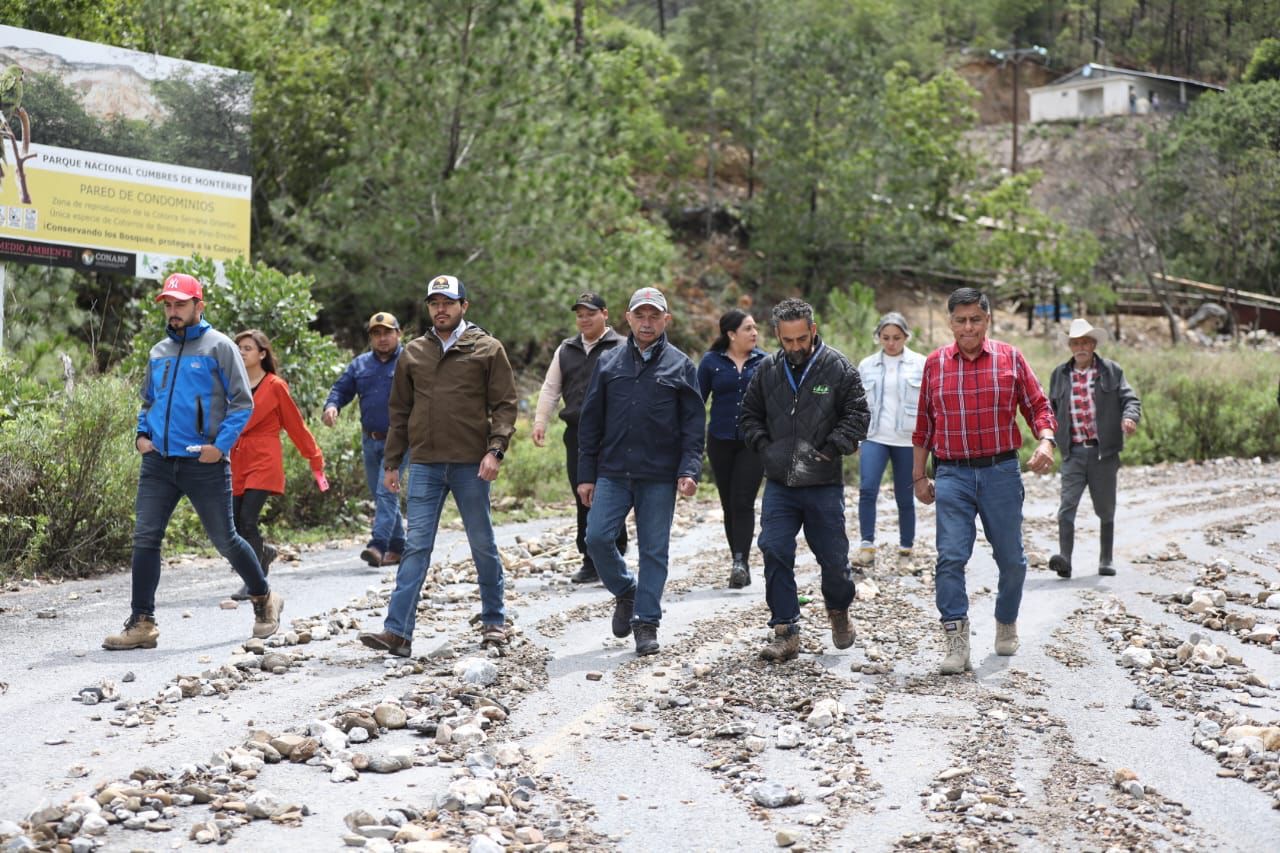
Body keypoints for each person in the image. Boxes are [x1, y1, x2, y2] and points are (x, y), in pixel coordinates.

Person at [103, 273, 283, 650]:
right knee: (145, 538)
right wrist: (142, 434)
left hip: (204, 462)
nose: (173, 311)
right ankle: (142, 622)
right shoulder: (158, 352)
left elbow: (241, 403)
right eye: (168, 305)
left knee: (226, 540)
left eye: (180, 305)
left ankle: (264, 597)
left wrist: (220, 446)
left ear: (198, 306)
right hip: (158, 463)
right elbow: (149, 402)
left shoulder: (219, 347)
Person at [358, 275, 517, 657]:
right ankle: (398, 632)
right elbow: (400, 411)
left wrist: (495, 451)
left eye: (448, 302)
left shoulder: (487, 348)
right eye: (434, 303)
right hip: (426, 464)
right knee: (415, 547)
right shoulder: (414, 352)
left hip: (470, 465)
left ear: (464, 305)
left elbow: (505, 406)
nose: (441, 309)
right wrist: (393, 461)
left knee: (482, 543)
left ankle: (494, 620)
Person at [912, 287, 1056, 675]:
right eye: (960, 320)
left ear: (987, 319)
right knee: (950, 557)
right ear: (950, 322)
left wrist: (1045, 441)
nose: (968, 327)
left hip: (1000, 472)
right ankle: (956, 639)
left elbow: (1038, 406)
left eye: (975, 319)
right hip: (953, 473)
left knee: (1012, 559)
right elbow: (924, 424)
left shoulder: (1010, 358)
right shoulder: (935, 364)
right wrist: (918, 475)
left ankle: (1006, 619)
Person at [739, 297, 870, 662]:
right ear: (777, 336)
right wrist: (766, 447)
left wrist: (830, 448)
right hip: (780, 483)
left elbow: (858, 415)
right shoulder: (766, 370)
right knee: (774, 548)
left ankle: (839, 609)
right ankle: (786, 630)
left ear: (813, 330)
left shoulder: (838, 368)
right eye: (787, 340)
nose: (795, 347)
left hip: (823, 483)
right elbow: (748, 416)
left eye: (801, 339)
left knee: (835, 561)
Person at [577, 286, 704, 656]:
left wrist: (689, 469)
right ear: (628, 318)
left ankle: (646, 623)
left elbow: (693, 426)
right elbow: (590, 422)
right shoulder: (608, 363)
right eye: (640, 315)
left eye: (654, 316)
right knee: (597, 537)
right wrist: (586, 474)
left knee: (654, 550)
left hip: (659, 474)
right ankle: (626, 591)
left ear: (667, 320)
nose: (647, 323)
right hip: (613, 470)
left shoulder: (681, 365)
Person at [532, 292, 628, 584]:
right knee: (583, 493)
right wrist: (540, 421)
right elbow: (551, 388)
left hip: (613, 434)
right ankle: (589, 558)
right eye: (580, 315)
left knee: (613, 493)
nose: (584, 319)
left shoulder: (622, 346)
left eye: (590, 313)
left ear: (605, 314)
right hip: (576, 433)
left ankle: (615, 553)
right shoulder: (567, 349)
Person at [227, 330, 328, 600]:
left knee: (248, 520)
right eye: (238, 347)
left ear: (262, 354)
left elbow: (295, 425)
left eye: (247, 347)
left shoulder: (275, 385)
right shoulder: (231, 384)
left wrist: (314, 457)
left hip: (264, 457)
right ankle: (265, 553)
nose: (241, 352)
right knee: (234, 525)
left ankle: (255, 580)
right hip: (236, 458)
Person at [1047, 318, 1141, 578]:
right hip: (1072, 451)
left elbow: (1130, 399)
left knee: (1105, 508)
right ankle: (1064, 558)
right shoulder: (1060, 375)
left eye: (1085, 342)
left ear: (1093, 344)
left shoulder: (1111, 371)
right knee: (1067, 506)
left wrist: (1129, 417)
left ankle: (1106, 559)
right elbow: (1049, 409)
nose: (1080, 347)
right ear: (1070, 346)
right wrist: (1046, 438)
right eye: (1075, 343)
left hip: (1103, 453)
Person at [323, 311, 406, 568]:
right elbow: (341, 389)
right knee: (381, 494)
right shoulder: (360, 365)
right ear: (371, 338)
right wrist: (332, 406)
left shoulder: (410, 361)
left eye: (387, 332)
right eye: (376, 334)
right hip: (370, 440)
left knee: (386, 491)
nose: (382, 338)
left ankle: (378, 545)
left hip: (401, 439)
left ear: (398, 334)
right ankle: (399, 547)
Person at [697, 308, 767, 588]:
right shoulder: (711, 363)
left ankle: (741, 561)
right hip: (720, 441)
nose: (754, 333)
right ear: (731, 334)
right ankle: (737, 559)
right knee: (728, 503)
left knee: (743, 501)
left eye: (755, 328)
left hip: (753, 442)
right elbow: (696, 402)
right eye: (748, 328)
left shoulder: (765, 362)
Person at [855, 312, 926, 567]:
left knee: (904, 496)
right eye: (886, 337)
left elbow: (929, 404)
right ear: (878, 337)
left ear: (906, 336)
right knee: (867, 489)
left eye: (897, 337)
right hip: (875, 436)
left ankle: (906, 547)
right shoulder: (867, 365)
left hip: (908, 439)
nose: (891, 343)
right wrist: (856, 435)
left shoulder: (920, 363)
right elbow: (857, 404)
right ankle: (867, 545)